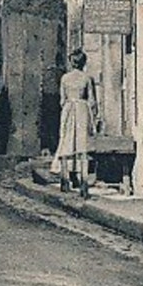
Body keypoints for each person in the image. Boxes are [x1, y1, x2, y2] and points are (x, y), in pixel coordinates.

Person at [52, 49, 99, 198]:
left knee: (66, 141)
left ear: (71, 62)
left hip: (68, 109)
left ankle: (64, 180)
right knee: (82, 145)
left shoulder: (65, 78)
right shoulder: (86, 78)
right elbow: (92, 101)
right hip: (82, 109)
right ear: (84, 62)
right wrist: (94, 118)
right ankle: (84, 183)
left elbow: (61, 100)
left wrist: (67, 106)